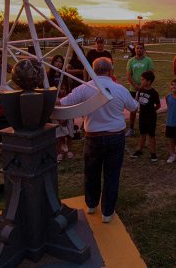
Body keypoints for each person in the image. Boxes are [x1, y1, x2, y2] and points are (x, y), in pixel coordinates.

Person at [59, 57, 139, 223]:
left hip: (93, 137)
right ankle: (107, 212)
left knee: (91, 172)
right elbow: (133, 107)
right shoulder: (120, 89)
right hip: (115, 136)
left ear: (93, 71)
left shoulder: (84, 89)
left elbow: (64, 103)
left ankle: (91, 204)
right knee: (112, 174)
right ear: (111, 71)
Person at [126, 42, 155, 136]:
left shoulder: (148, 60)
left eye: (141, 48)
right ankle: (131, 128)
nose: (139, 50)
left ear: (144, 49)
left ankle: (145, 128)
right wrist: (136, 86)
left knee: (145, 110)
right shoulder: (131, 61)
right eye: (137, 48)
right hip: (134, 89)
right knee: (133, 109)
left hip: (146, 89)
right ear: (134, 49)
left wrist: (142, 86)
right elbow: (129, 76)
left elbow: (150, 74)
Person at [131, 71, 160, 162]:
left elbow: (158, 105)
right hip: (142, 116)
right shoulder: (140, 90)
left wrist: (152, 111)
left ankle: (153, 153)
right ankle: (139, 150)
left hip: (151, 117)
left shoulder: (154, 92)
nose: (141, 81)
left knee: (151, 134)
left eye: (143, 80)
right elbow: (136, 101)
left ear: (149, 81)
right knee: (142, 133)